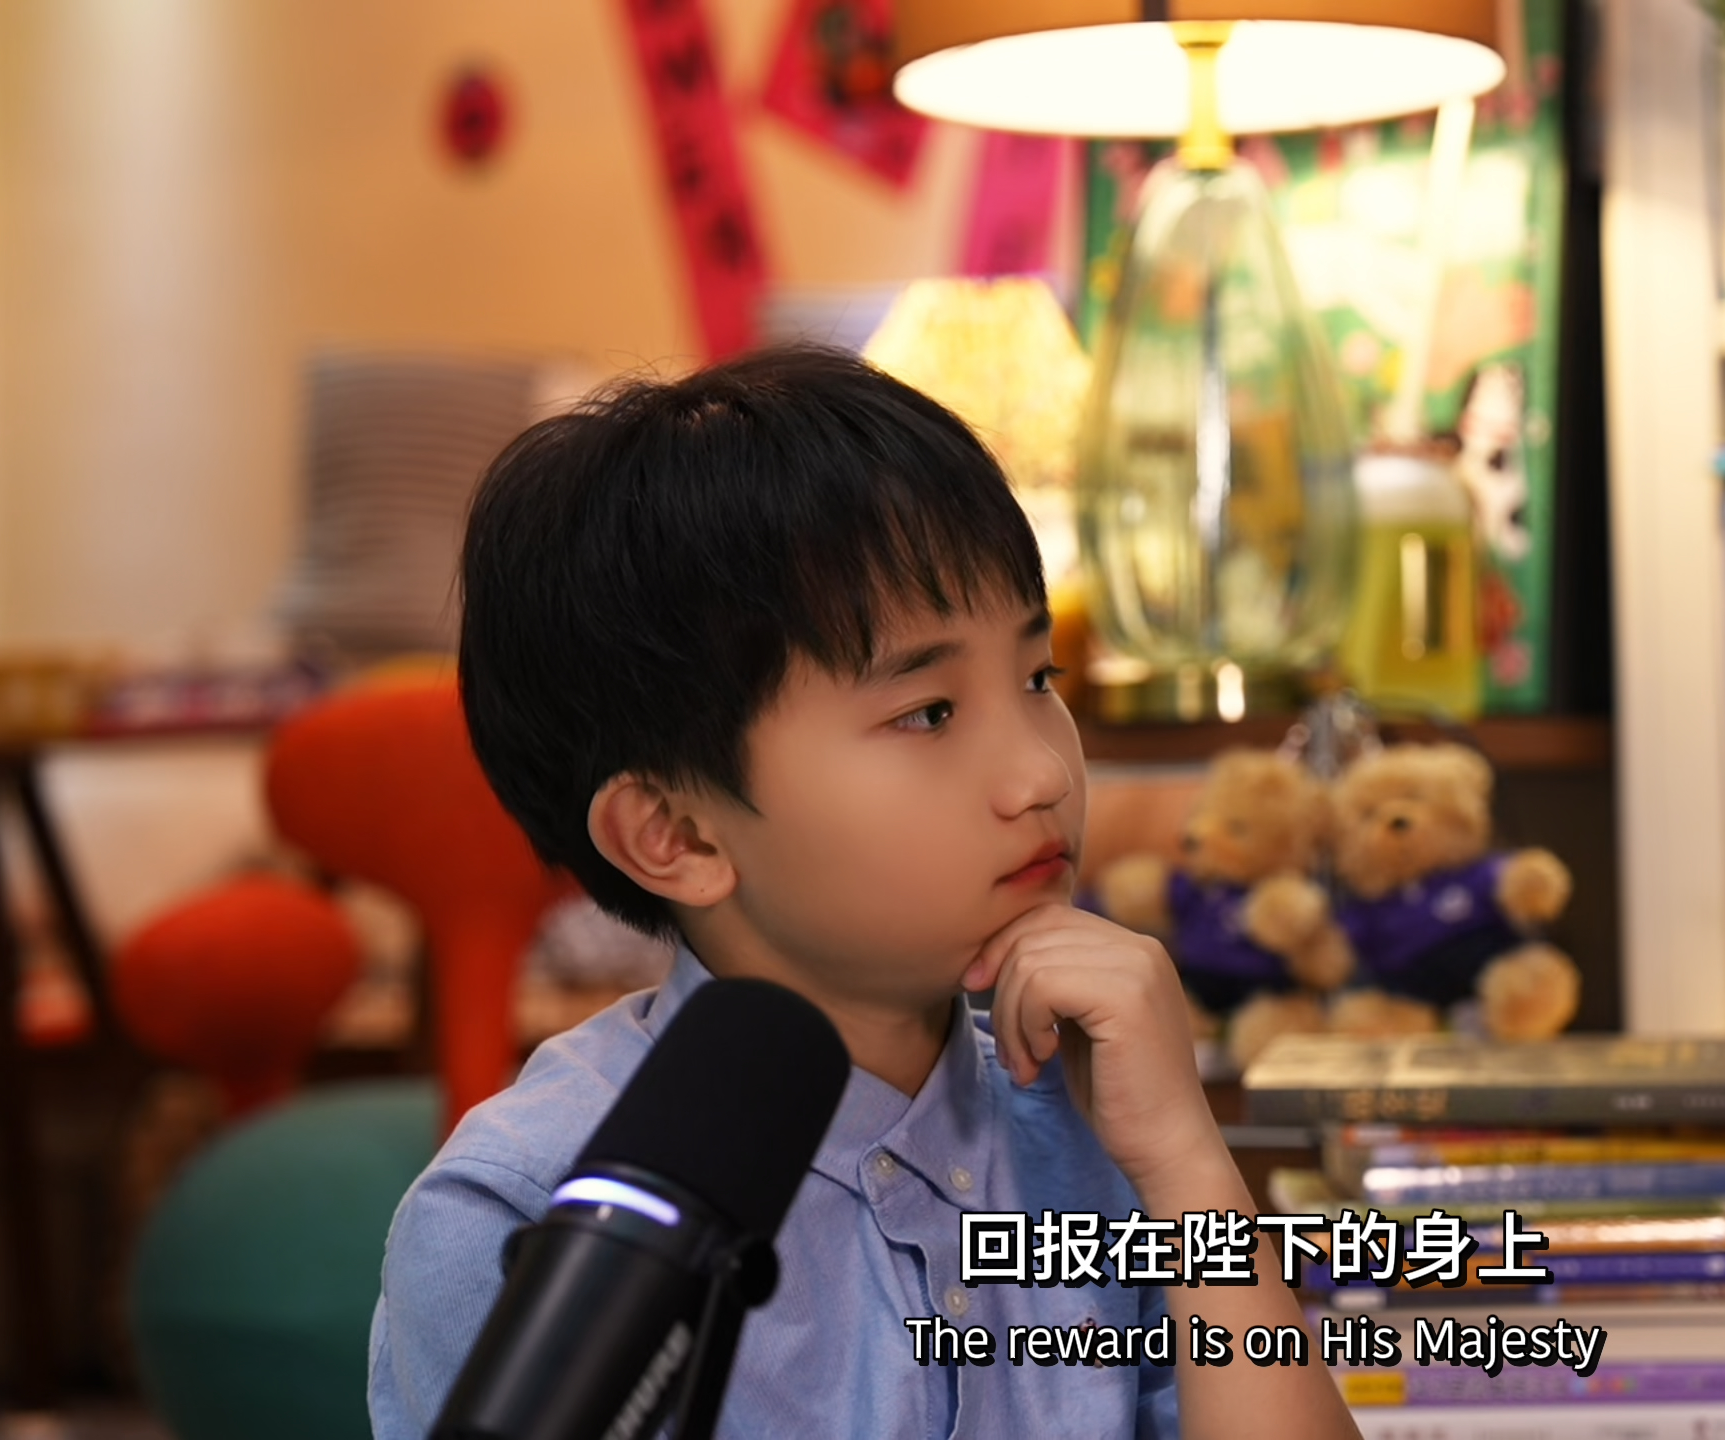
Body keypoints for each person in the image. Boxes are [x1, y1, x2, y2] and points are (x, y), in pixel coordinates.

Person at [367, 346, 1361, 1439]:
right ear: (677, 836)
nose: (1042, 774)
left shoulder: (1090, 1110)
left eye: (1039, 678)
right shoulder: (531, 1215)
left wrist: (1184, 1162)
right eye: (927, 713)